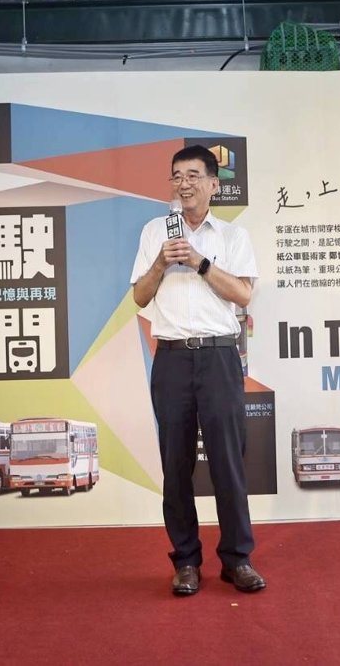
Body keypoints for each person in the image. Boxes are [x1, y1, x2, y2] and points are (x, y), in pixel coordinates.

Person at [130, 145, 266, 596]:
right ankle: (186, 561)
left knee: (227, 461)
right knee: (176, 464)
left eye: (192, 176)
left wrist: (199, 262)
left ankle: (237, 559)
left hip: (219, 357)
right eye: (176, 176)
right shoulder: (155, 231)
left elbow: (243, 295)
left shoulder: (232, 236)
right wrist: (161, 262)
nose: (183, 184)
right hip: (171, 358)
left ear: (213, 184)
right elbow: (140, 297)